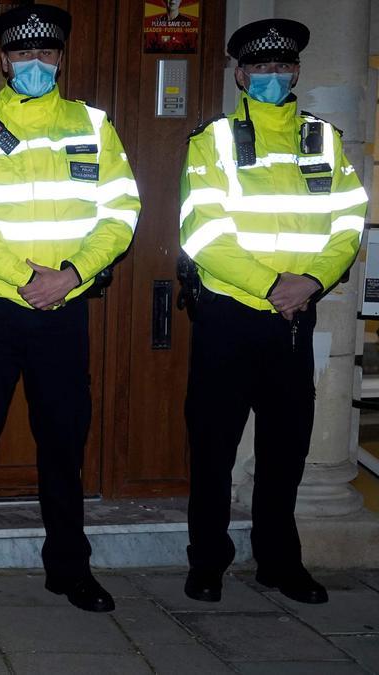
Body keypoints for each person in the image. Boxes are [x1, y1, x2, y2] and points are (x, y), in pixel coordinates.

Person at [0, 4, 140, 614]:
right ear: (3, 61)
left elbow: (121, 212)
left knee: (64, 443)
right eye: (23, 55)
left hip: (64, 310)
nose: (35, 64)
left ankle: (69, 570)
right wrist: (28, 277)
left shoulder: (93, 126)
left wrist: (71, 277)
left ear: (59, 59)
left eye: (46, 54)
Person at [179, 18, 367, 605]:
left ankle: (279, 562)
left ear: (296, 74)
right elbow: (202, 231)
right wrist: (273, 286)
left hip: (294, 316)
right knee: (213, 448)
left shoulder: (324, 139)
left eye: (283, 67)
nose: (272, 75)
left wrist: (309, 281)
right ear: (240, 75)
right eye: (261, 67)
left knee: (287, 449)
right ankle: (206, 561)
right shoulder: (213, 140)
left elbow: (348, 223)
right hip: (229, 316)